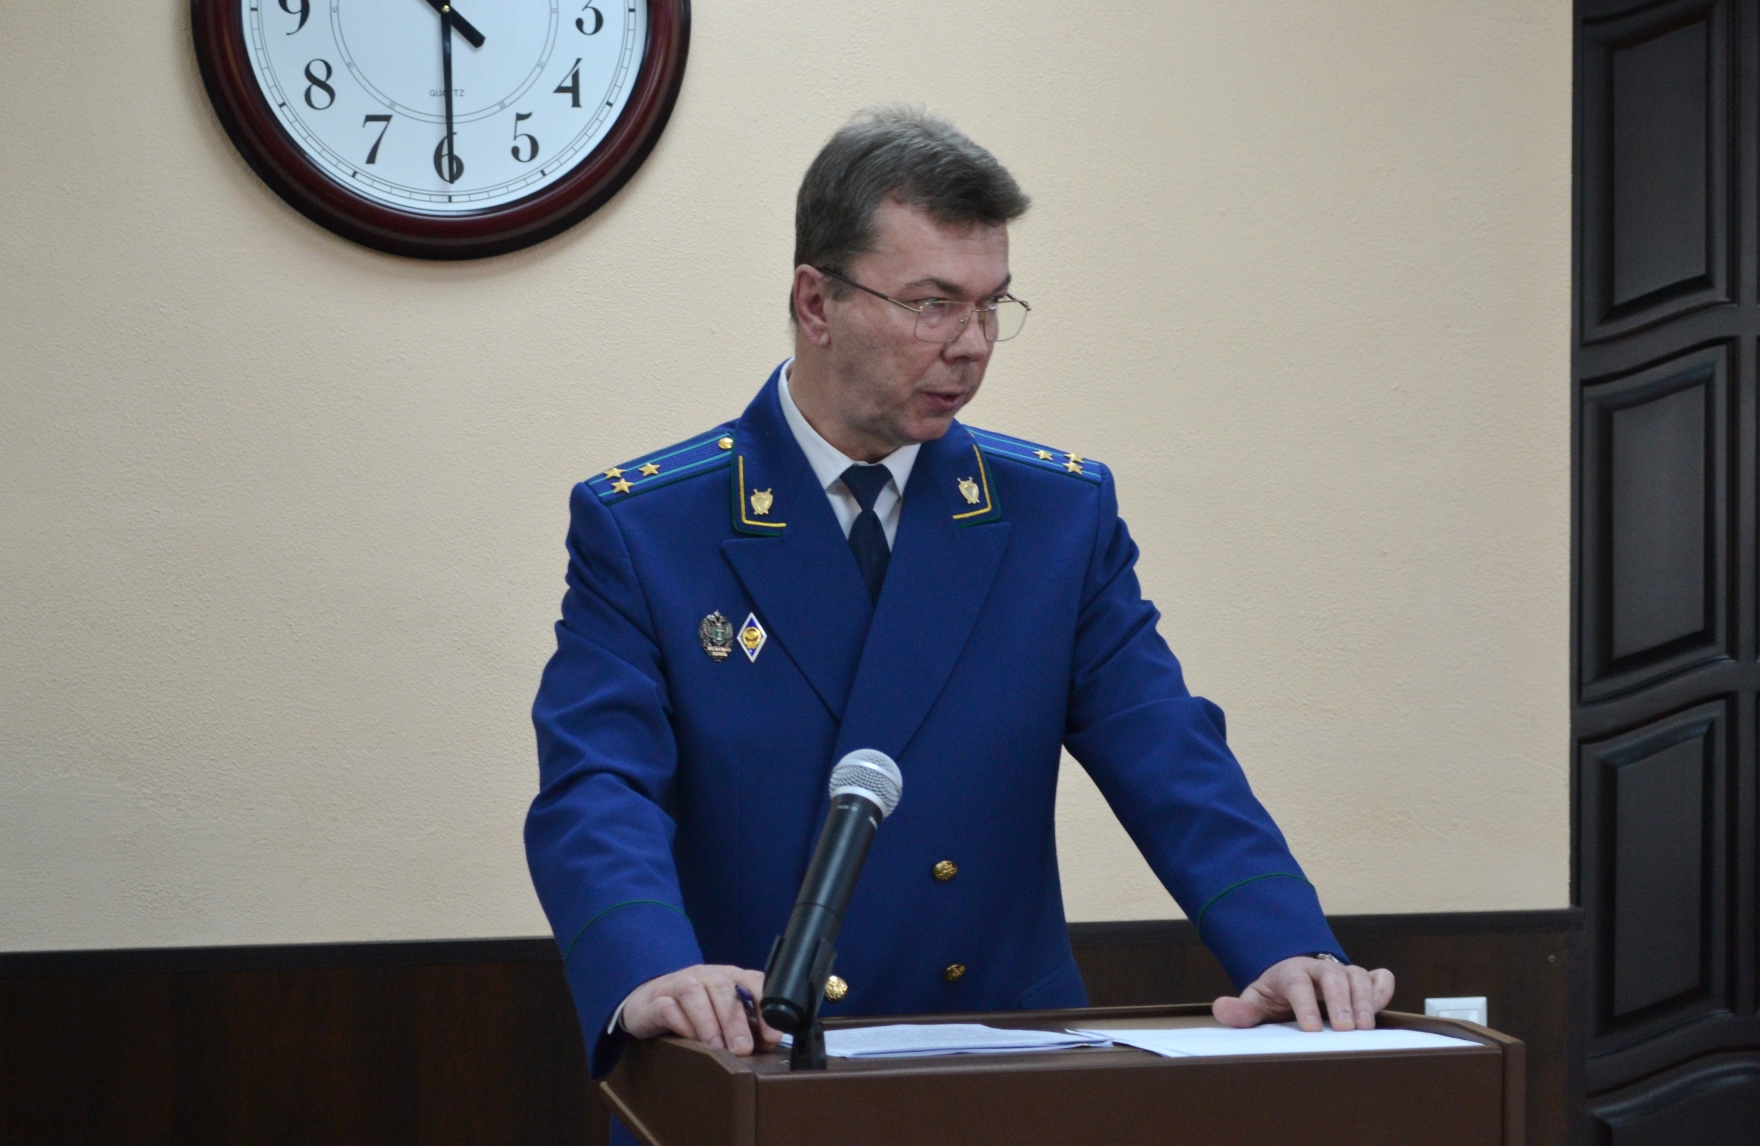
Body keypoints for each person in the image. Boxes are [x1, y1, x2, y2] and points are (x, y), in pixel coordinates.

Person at [525, 108, 1395, 1094]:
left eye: (991, 307)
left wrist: (1284, 944)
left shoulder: (1054, 516)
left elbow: (1164, 747)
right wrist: (650, 968)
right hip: (745, 1060)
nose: (973, 346)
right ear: (816, 301)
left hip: (995, 1063)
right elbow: (598, 784)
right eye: (933, 305)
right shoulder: (650, 527)